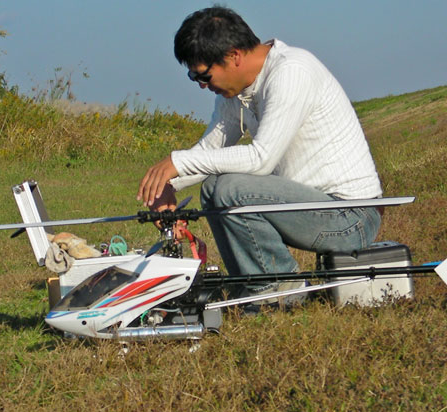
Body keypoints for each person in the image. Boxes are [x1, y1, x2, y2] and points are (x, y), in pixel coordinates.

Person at [137, 6, 383, 297]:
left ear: (234, 56)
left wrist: (178, 161)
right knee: (213, 186)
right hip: (311, 208)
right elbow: (211, 149)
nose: (203, 86)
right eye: (194, 78)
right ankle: (247, 286)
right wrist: (167, 185)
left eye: (204, 76)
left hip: (351, 217)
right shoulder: (236, 91)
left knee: (230, 189)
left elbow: (261, 158)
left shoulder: (292, 71)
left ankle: (280, 291)